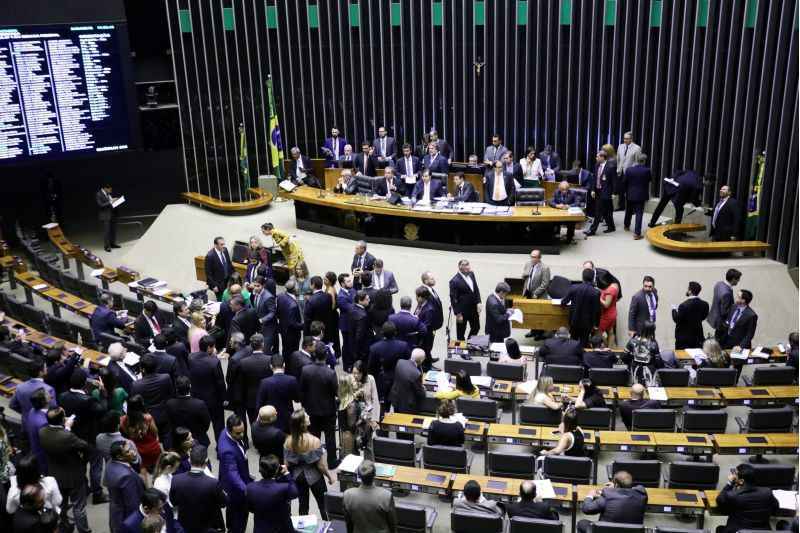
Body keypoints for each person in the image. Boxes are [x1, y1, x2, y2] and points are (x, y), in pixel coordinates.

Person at [39, 407, 91, 533]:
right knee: (79, 507)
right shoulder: (67, 436)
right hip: (74, 476)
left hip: (55, 475)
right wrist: (67, 428)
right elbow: (84, 446)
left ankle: (64, 526)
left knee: (60, 505)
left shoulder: (42, 432)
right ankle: (84, 530)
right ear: (63, 419)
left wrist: (65, 428)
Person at [58, 370, 107, 503]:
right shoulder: (88, 400)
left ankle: (84, 488)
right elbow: (102, 410)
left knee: (80, 465)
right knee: (96, 466)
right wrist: (102, 393)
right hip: (91, 438)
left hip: (73, 437)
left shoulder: (62, 396)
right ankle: (97, 494)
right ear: (85, 383)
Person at [285, 408, 334, 518]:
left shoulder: (288, 441)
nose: (309, 416)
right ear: (302, 424)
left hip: (298, 477)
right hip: (315, 477)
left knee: (303, 506)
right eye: (306, 416)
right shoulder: (314, 441)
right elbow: (321, 466)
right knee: (324, 505)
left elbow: (287, 464)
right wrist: (330, 476)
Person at [170, 445, 227, 533]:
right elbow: (223, 503)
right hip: (207, 525)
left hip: (186, 525)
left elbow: (173, 501)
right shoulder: (213, 483)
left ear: (189, 460)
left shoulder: (175, 479)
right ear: (206, 461)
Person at [300, 344, 339, 469]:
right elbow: (336, 392)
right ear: (326, 356)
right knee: (330, 437)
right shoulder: (330, 373)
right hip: (328, 410)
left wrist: (305, 406)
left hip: (312, 410)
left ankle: (314, 461)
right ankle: (332, 461)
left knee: (314, 436)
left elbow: (302, 390)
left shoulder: (305, 370)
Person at [715, 463, 779, 533]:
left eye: (735, 474)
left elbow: (719, 500)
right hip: (762, 531)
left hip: (739, 531)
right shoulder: (767, 492)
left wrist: (729, 483)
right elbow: (776, 508)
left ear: (741, 481)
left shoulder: (733, 495)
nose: (733, 475)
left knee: (720, 529)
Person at [577, 471, 648, 533]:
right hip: (631, 531)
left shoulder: (607, 496)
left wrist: (590, 496)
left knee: (581, 523)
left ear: (616, 484)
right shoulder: (642, 495)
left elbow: (587, 509)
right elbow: (631, 490)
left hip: (605, 531)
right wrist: (615, 489)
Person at [217, 414, 253, 533]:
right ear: (229, 429)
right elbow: (233, 474)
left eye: (243, 431)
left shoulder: (225, 432)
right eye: (238, 433)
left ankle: (231, 527)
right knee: (240, 515)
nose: (242, 435)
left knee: (232, 510)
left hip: (235, 479)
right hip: (236, 489)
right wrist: (246, 489)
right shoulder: (227, 451)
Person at [246, 454, 299, 533]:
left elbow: (250, 508)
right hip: (282, 529)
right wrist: (287, 473)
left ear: (260, 470)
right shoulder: (284, 487)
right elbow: (295, 492)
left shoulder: (250, 487)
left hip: (261, 529)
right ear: (277, 470)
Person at [189, 335, 227, 442]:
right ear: (209, 348)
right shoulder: (214, 362)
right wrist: (224, 398)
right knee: (218, 424)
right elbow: (220, 382)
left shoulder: (190, 357)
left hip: (196, 397)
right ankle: (220, 445)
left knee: (199, 425)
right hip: (213, 399)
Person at [131, 354, 174, 447]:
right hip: (164, 413)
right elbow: (171, 394)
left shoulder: (136, 385)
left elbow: (136, 403)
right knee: (167, 437)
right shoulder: (166, 377)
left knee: (152, 440)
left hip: (148, 418)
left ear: (142, 369)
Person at [343, 460, 397, 533]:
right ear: (375, 474)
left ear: (359, 476)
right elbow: (392, 524)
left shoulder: (347, 495)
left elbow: (348, 523)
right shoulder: (386, 496)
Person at [368, 322, 411, 412]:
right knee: (399, 406)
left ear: (382, 333)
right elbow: (408, 362)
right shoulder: (403, 346)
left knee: (383, 407)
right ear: (395, 333)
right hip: (399, 379)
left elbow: (371, 367)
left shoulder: (374, 348)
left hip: (382, 380)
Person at [104, 441, 144, 533]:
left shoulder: (110, 463)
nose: (133, 452)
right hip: (126, 516)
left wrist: (134, 459)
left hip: (115, 511)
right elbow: (132, 504)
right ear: (119, 457)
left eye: (131, 448)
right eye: (128, 451)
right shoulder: (127, 477)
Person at [256, 353, 299, 433]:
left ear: (271, 366)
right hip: (287, 418)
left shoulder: (264, 382)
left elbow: (259, 404)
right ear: (284, 365)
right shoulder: (292, 380)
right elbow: (297, 399)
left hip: (271, 419)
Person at [165, 376, 211, 447]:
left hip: (178, 440)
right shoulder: (199, 404)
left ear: (176, 389)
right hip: (197, 439)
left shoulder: (169, 404)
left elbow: (169, 422)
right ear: (190, 386)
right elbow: (206, 423)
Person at [120, 395, 161, 471]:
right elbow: (155, 433)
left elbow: (126, 435)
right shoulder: (148, 418)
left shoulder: (123, 420)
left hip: (136, 450)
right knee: (155, 470)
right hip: (152, 449)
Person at [10, 359, 56, 425]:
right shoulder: (49, 389)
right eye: (45, 367)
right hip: (43, 424)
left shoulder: (19, 387)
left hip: (25, 422)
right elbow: (53, 411)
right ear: (41, 372)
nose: (47, 368)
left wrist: (25, 413)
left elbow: (12, 405)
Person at [562, 269, 601, 346]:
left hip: (574, 321)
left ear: (582, 277)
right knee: (584, 343)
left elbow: (564, 302)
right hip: (587, 324)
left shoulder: (573, 288)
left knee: (572, 342)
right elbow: (597, 310)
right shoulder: (596, 292)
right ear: (593, 278)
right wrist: (596, 324)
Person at [389, 349, 427, 420]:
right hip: (407, 405)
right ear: (421, 360)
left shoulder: (400, 362)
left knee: (397, 420)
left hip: (396, 399)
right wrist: (423, 389)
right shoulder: (416, 374)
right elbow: (419, 392)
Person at [449, 259, 481, 341]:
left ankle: (469, 343)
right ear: (460, 267)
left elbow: (476, 289)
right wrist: (458, 314)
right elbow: (453, 299)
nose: (468, 266)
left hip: (473, 309)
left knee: (476, 327)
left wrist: (479, 301)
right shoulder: (454, 281)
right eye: (465, 265)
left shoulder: (471, 274)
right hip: (462, 312)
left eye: (468, 264)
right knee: (460, 333)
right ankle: (462, 350)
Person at [585, 151, 616, 235]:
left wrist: (614, 193)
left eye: (597, 156)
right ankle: (611, 227)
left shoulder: (610, 167)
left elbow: (614, 181)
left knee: (598, 211)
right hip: (597, 191)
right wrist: (592, 190)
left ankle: (592, 230)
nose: (596, 158)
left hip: (606, 192)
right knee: (606, 211)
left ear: (603, 157)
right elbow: (594, 178)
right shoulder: (596, 165)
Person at [673, 281, 710, 349]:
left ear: (690, 291)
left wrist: (674, 310)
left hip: (683, 340)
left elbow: (677, 319)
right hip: (698, 337)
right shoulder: (705, 304)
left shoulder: (683, 306)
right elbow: (703, 317)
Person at [623, 152, 651, 239]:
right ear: (644, 161)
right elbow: (650, 179)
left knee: (628, 210)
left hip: (630, 193)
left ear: (637, 160)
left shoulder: (629, 169)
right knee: (639, 213)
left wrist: (625, 191)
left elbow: (624, 181)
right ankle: (637, 233)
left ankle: (626, 226)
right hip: (641, 195)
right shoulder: (647, 170)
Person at [23, 389, 51, 471]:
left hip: (34, 448)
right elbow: (49, 442)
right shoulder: (43, 423)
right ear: (44, 401)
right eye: (47, 394)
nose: (49, 393)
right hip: (43, 456)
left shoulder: (32, 410)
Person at [708, 268, 742, 333]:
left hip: (715, 316)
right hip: (721, 322)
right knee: (721, 338)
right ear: (733, 279)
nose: (739, 281)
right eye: (738, 279)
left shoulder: (719, 284)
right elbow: (725, 312)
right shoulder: (727, 293)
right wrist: (736, 305)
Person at [277, 279, 304, 358]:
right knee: (292, 354)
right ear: (294, 289)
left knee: (285, 350)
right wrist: (304, 325)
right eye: (297, 286)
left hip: (283, 329)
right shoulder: (293, 305)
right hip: (292, 334)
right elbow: (293, 324)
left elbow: (278, 313)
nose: (299, 288)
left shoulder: (280, 296)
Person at [251, 276, 277, 350]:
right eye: (255, 285)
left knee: (266, 349)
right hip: (260, 328)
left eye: (258, 286)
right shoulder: (255, 293)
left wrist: (262, 320)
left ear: (263, 285)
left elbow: (272, 312)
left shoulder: (268, 297)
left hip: (268, 328)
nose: (255, 288)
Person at [204, 237, 233, 302]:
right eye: (221, 244)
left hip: (227, 282)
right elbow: (208, 273)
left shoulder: (225, 250)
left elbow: (229, 264)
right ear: (215, 245)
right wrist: (213, 286)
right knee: (220, 301)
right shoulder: (210, 256)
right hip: (218, 284)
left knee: (228, 299)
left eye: (224, 244)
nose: (223, 246)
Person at [351, 290, 373, 366]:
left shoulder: (352, 308)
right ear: (360, 301)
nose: (369, 301)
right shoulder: (363, 316)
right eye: (367, 299)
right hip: (362, 348)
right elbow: (359, 336)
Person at [96, 183, 120, 251]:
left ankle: (112, 244)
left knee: (113, 231)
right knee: (107, 231)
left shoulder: (108, 194)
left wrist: (116, 201)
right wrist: (111, 201)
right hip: (105, 216)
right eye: (110, 190)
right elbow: (100, 205)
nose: (111, 191)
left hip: (112, 214)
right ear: (105, 188)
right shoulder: (99, 194)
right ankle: (106, 246)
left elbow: (110, 203)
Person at [597, 275, 620, 345]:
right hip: (613, 312)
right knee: (611, 332)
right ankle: (610, 349)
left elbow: (606, 304)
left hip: (607, 315)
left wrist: (599, 298)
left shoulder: (609, 291)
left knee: (598, 333)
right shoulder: (615, 286)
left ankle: (607, 347)